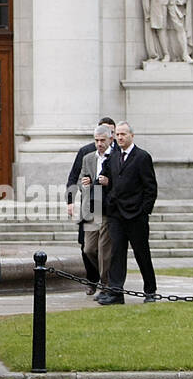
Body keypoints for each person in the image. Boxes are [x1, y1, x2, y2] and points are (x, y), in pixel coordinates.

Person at [100, 121, 159, 305]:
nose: (119, 138)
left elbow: (151, 188)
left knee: (142, 253)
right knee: (117, 253)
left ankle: (150, 290)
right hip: (116, 214)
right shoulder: (114, 157)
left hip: (136, 215)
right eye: (117, 135)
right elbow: (106, 178)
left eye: (123, 134)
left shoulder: (142, 157)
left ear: (131, 136)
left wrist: (144, 211)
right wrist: (108, 201)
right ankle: (116, 293)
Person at [65, 117, 117, 294]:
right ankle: (95, 279)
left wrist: (109, 182)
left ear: (111, 138)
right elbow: (78, 177)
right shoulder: (87, 156)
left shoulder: (116, 156)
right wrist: (81, 186)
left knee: (104, 249)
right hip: (90, 209)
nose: (99, 144)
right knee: (88, 249)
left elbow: (122, 180)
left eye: (103, 140)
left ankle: (105, 284)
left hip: (107, 209)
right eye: (97, 140)